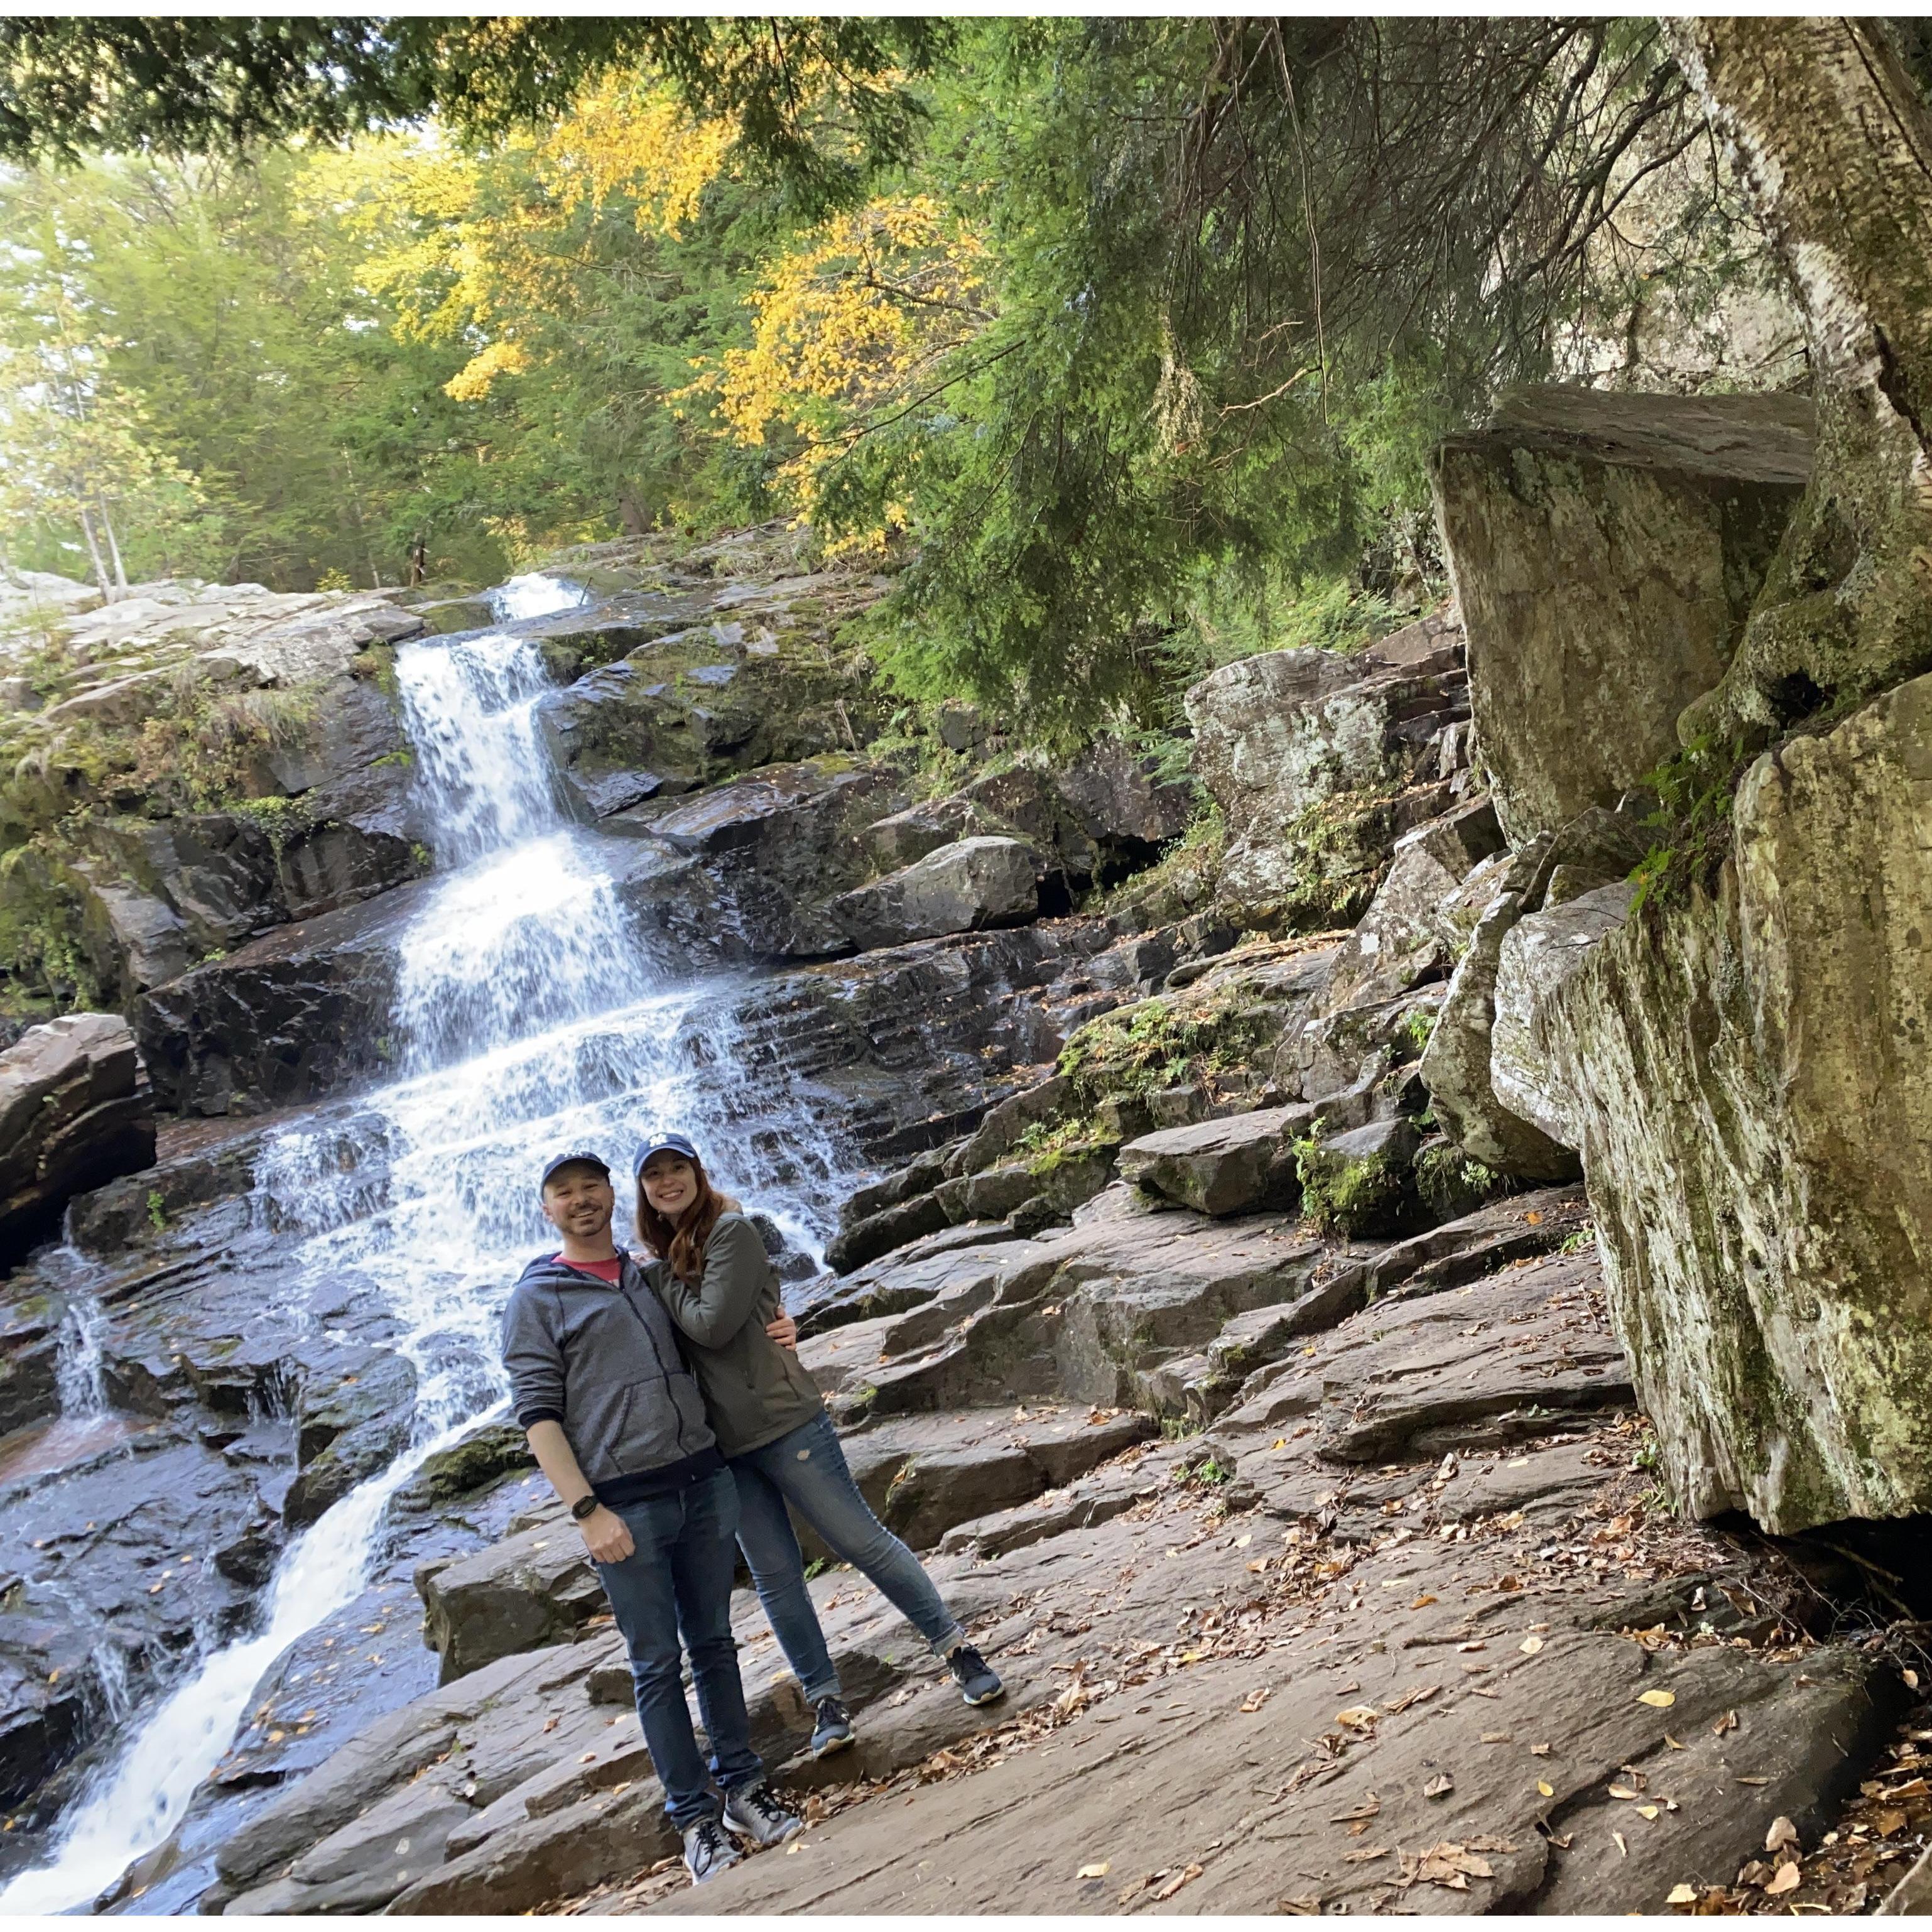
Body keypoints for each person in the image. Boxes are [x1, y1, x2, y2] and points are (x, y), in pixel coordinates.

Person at [631, 1132, 1006, 1760]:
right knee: (777, 1578)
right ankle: (825, 1700)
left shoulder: (730, 1232)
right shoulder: (663, 1261)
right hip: (722, 1447)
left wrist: (656, 1280)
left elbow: (711, 1324)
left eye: (677, 1168)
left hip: (784, 1422)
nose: (668, 1180)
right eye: (654, 1174)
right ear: (642, 1189)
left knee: (859, 1540)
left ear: (696, 1172)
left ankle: (956, 1648)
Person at [500, 1149, 804, 1885]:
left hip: (701, 1481)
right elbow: (537, 1414)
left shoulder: (648, 1272)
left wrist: (781, 1326)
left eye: (590, 1187)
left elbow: (723, 1323)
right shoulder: (537, 1297)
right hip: (622, 1506)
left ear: (613, 1194)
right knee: (657, 1666)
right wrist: (585, 1511)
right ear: (547, 1210)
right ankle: (695, 1822)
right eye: (563, 1193)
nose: (581, 1201)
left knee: (715, 1643)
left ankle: (743, 1787)